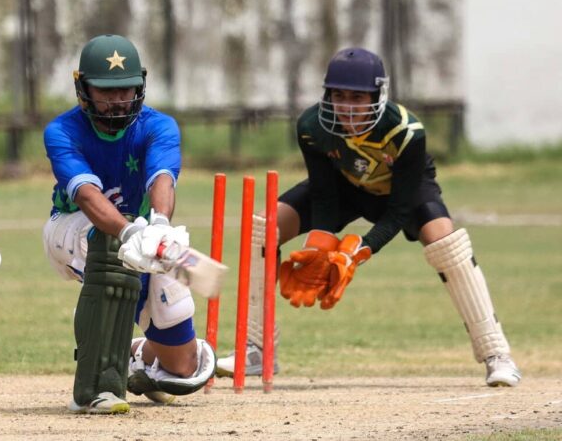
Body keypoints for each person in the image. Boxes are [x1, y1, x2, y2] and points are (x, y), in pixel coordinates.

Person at [216, 47, 521, 387]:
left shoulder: (405, 132)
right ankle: (257, 349)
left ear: (377, 95)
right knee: (263, 227)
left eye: (357, 97)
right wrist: (319, 244)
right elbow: (324, 195)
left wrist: (359, 250)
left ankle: (497, 353)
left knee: (445, 241)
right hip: (344, 187)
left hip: (400, 192)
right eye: (338, 95)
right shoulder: (311, 126)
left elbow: (400, 210)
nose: (346, 106)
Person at [42, 34, 215, 414]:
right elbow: (87, 196)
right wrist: (129, 232)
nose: (118, 99)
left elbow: (162, 178)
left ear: (140, 86)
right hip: (71, 231)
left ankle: (135, 353)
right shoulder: (62, 132)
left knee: (183, 368)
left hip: (139, 234)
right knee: (106, 245)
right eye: (106, 91)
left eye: (126, 89)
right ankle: (96, 386)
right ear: (83, 89)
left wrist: (159, 226)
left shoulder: (160, 126)